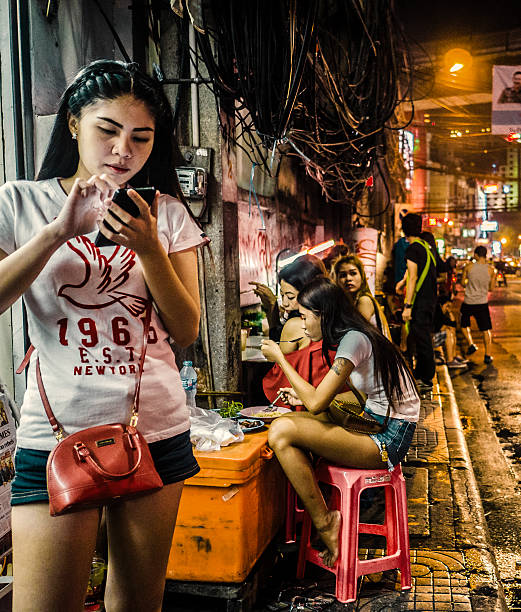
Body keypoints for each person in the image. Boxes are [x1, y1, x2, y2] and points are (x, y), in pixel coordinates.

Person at [0, 59, 208, 611]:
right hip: (54, 433)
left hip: (154, 429)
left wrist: (148, 248)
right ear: (73, 124)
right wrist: (58, 232)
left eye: (141, 137)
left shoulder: (165, 213)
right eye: (108, 131)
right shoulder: (19, 203)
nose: (123, 150)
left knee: (137, 602)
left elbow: (186, 330)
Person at [261, 277, 419, 567]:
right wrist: (300, 395)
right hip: (377, 425)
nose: (304, 325)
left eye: (305, 316)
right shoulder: (352, 336)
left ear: (323, 314)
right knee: (290, 421)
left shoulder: (353, 340)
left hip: (388, 439)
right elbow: (326, 399)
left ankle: (325, 523)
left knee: (281, 430)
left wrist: (280, 359)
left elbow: (319, 402)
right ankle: (319, 520)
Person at [396, 214, 437, 394]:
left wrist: (407, 306)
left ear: (404, 228)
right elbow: (414, 272)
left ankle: (426, 379)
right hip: (430, 301)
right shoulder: (426, 247)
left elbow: (413, 276)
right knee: (422, 339)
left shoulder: (412, 249)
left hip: (419, 303)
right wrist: (402, 282)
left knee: (422, 341)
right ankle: (421, 376)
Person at [250, 254, 326, 351]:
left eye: (291, 297)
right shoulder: (325, 318)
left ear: (309, 293)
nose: (284, 303)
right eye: (282, 295)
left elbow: (279, 360)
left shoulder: (296, 324)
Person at [331, 254, 391, 339]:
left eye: (353, 273)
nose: (348, 278)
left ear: (362, 276)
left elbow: (355, 333)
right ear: (337, 279)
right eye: (343, 275)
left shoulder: (364, 300)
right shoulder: (348, 302)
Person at [460, 246, 496, 364]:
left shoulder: (469, 267)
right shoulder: (491, 270)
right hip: (482, 303)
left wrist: (469, 286)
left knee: (463, 324)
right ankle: (487, 355)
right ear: (485, 255)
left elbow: (462, 282)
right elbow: (491, 288)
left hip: (469, 301)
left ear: (476, 255)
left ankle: (471, 344)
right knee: (485, 330)